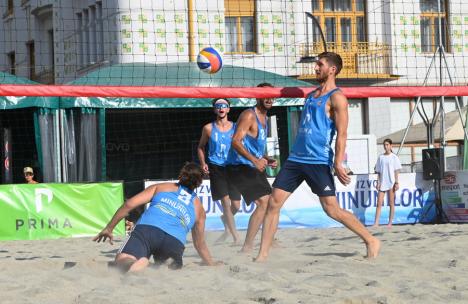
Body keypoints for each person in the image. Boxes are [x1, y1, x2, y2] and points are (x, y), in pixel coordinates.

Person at [255, 52, 380, 262]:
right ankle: (262, 255)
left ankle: (370, 240)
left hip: (318, 160)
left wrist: (338, 163)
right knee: (273, 203)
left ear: (332, 69)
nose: (315, 68)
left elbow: (342, 134)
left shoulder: (337, 97)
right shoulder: (311, 95)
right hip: (296, 159)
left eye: (320, 65)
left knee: (331, 209)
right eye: (316, 64)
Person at [93, 162, 219, 272]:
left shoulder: (161, 187)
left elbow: (128, 204)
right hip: (174, 241)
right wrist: (211, 263)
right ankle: (161, 266)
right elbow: (199, 243)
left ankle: (135, 263)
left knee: (123, 260)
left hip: (148, 230)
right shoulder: (199, 209)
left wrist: (109, 228)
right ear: (199, 183)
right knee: (169, 268)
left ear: (181, 175)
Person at [226, 82, 277, 253]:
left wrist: (264, 158)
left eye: (272, 95)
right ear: (257, 96)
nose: (269, 98)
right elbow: (235, 141)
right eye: (265, 95)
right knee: (264, 202)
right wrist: (255, 160)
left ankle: (268, 239)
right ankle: (247, 247)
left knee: (270, 203)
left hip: (252, 165)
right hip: (240, 166)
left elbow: (252, 146)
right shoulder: (249, 115)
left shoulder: (265, 117)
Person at [197, 98, 241, 243]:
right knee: (225, 203)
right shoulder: (208, 128)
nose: (221, 108)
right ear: (214, 109)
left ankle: (225, 219)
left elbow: (244, 146)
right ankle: (235, 236)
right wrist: (203, 163)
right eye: (218, 106)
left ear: (228, 109)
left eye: (224, 106)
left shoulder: (236, 127)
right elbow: (200, 147)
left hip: (233, 167)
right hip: (216, 167)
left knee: (236, 205)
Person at [372, 138, 402, 228]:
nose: (385, 146)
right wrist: (378, 182)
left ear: (391, 145)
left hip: (391, 182)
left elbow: (396, 170)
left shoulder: (394, 157)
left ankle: (390, 223)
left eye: (387, 144)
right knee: (379, 203)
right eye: (384, 145)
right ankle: (376, 223)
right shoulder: (380, 157)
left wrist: (396, 182)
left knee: (391, 203)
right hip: (382, 182)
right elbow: (378, 171)